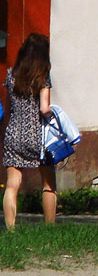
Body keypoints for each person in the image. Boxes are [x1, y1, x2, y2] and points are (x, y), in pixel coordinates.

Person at [3, 33, 57, 228]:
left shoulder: (11, 74)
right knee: (49, 183)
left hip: (13, 134)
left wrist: (5, 133)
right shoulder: (42, 76)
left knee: (12, 185)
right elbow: (44, 108)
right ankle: (50, 226)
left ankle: (10, 229)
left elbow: (8, 108)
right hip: (37, 137)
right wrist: (56, 117)